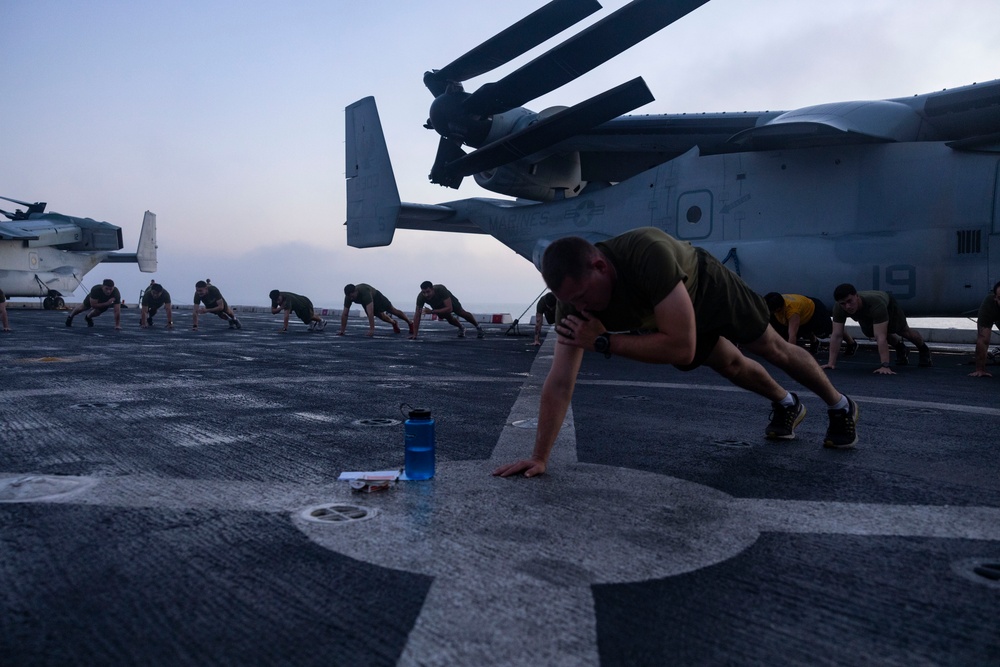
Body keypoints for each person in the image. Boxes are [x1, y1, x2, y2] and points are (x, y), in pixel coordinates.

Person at [492, 228, 860, 479]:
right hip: (665, 314)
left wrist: (604, 342)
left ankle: (840, 406)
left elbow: (679, 344)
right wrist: (539, 456)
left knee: (770, 347)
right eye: (569, 302)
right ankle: (786, 403)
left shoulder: (647, 254)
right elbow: (558, 384)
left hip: (706, 286)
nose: (580, 308)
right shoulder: (573, 305)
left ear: (600, 266)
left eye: (584, 296)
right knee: (729, 364)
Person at [823, 284, 930, 375]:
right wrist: (831, 363)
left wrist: (885, 366)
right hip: (866, 312)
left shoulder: (876, 304)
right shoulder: (838, 308)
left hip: (886, 306)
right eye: (843, 303)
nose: (847, 306)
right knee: (871, 332)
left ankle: (923, 349)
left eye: (850, 301)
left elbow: (881, 336)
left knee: (903, 332)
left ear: (857, 296)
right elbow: (836, 335)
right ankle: (901, 348)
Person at [764, 292, 856, 357]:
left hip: (815, 311)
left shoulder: (792, 311)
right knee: (800, 329)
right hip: (803, 310)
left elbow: (792, 335)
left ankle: (851, 343)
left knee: (830, 330)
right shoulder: (772, 304)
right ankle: (814, 342)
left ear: (778, 309)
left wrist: (789, 356)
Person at [409, 281, 484, 339]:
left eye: (428, 292)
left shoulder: (441, 289)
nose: (426, 295)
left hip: (449, 302)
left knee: (461, 312)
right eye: (424, 292)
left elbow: (449, 308)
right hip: (437, 305)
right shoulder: (420, 297)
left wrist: (432, 311)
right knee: (449, 318)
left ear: (432, 289)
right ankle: (461, 327)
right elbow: (417, 315)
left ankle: (478, 326)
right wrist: (415, 335)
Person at [338, 283, 412, 337]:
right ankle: (393, 323)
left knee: (392, 310)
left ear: (356, 291)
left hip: (377, 298)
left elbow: (370, 313)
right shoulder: (348, 297)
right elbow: (345, 314)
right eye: (349, 297)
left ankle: (410, 322)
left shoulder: (364, 292)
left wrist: (371, 329)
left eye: (352, 296)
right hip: (365, 302)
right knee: (381, 316)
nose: (351, 299)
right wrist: (342, 331)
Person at [969, 280, 1000, 378]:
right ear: (995, 298)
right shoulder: (989, 304)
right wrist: (980, 369)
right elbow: (983, 339)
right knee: (984, 337)